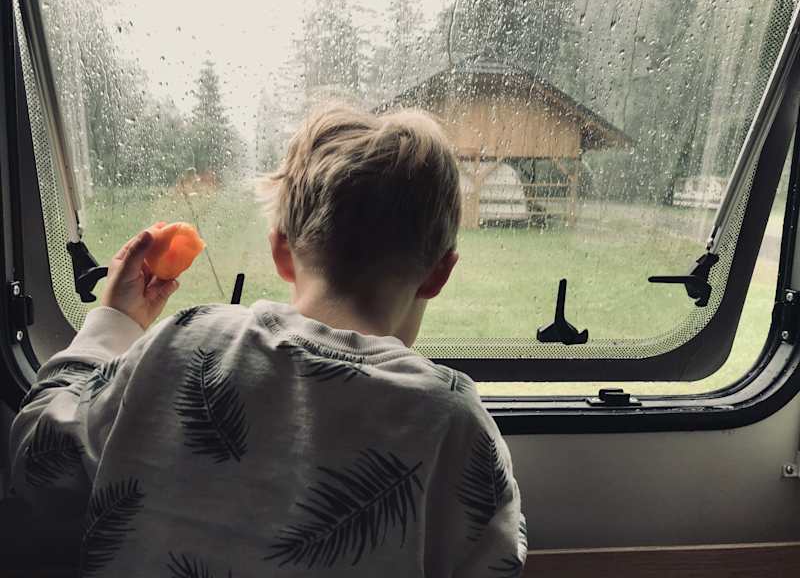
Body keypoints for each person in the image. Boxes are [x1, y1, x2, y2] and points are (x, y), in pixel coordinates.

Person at [9, 106, 526, 576]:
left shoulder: (186, 342)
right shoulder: (454, 420)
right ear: (439, 274)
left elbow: (39, 463)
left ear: (281, 251)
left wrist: (117, 318)